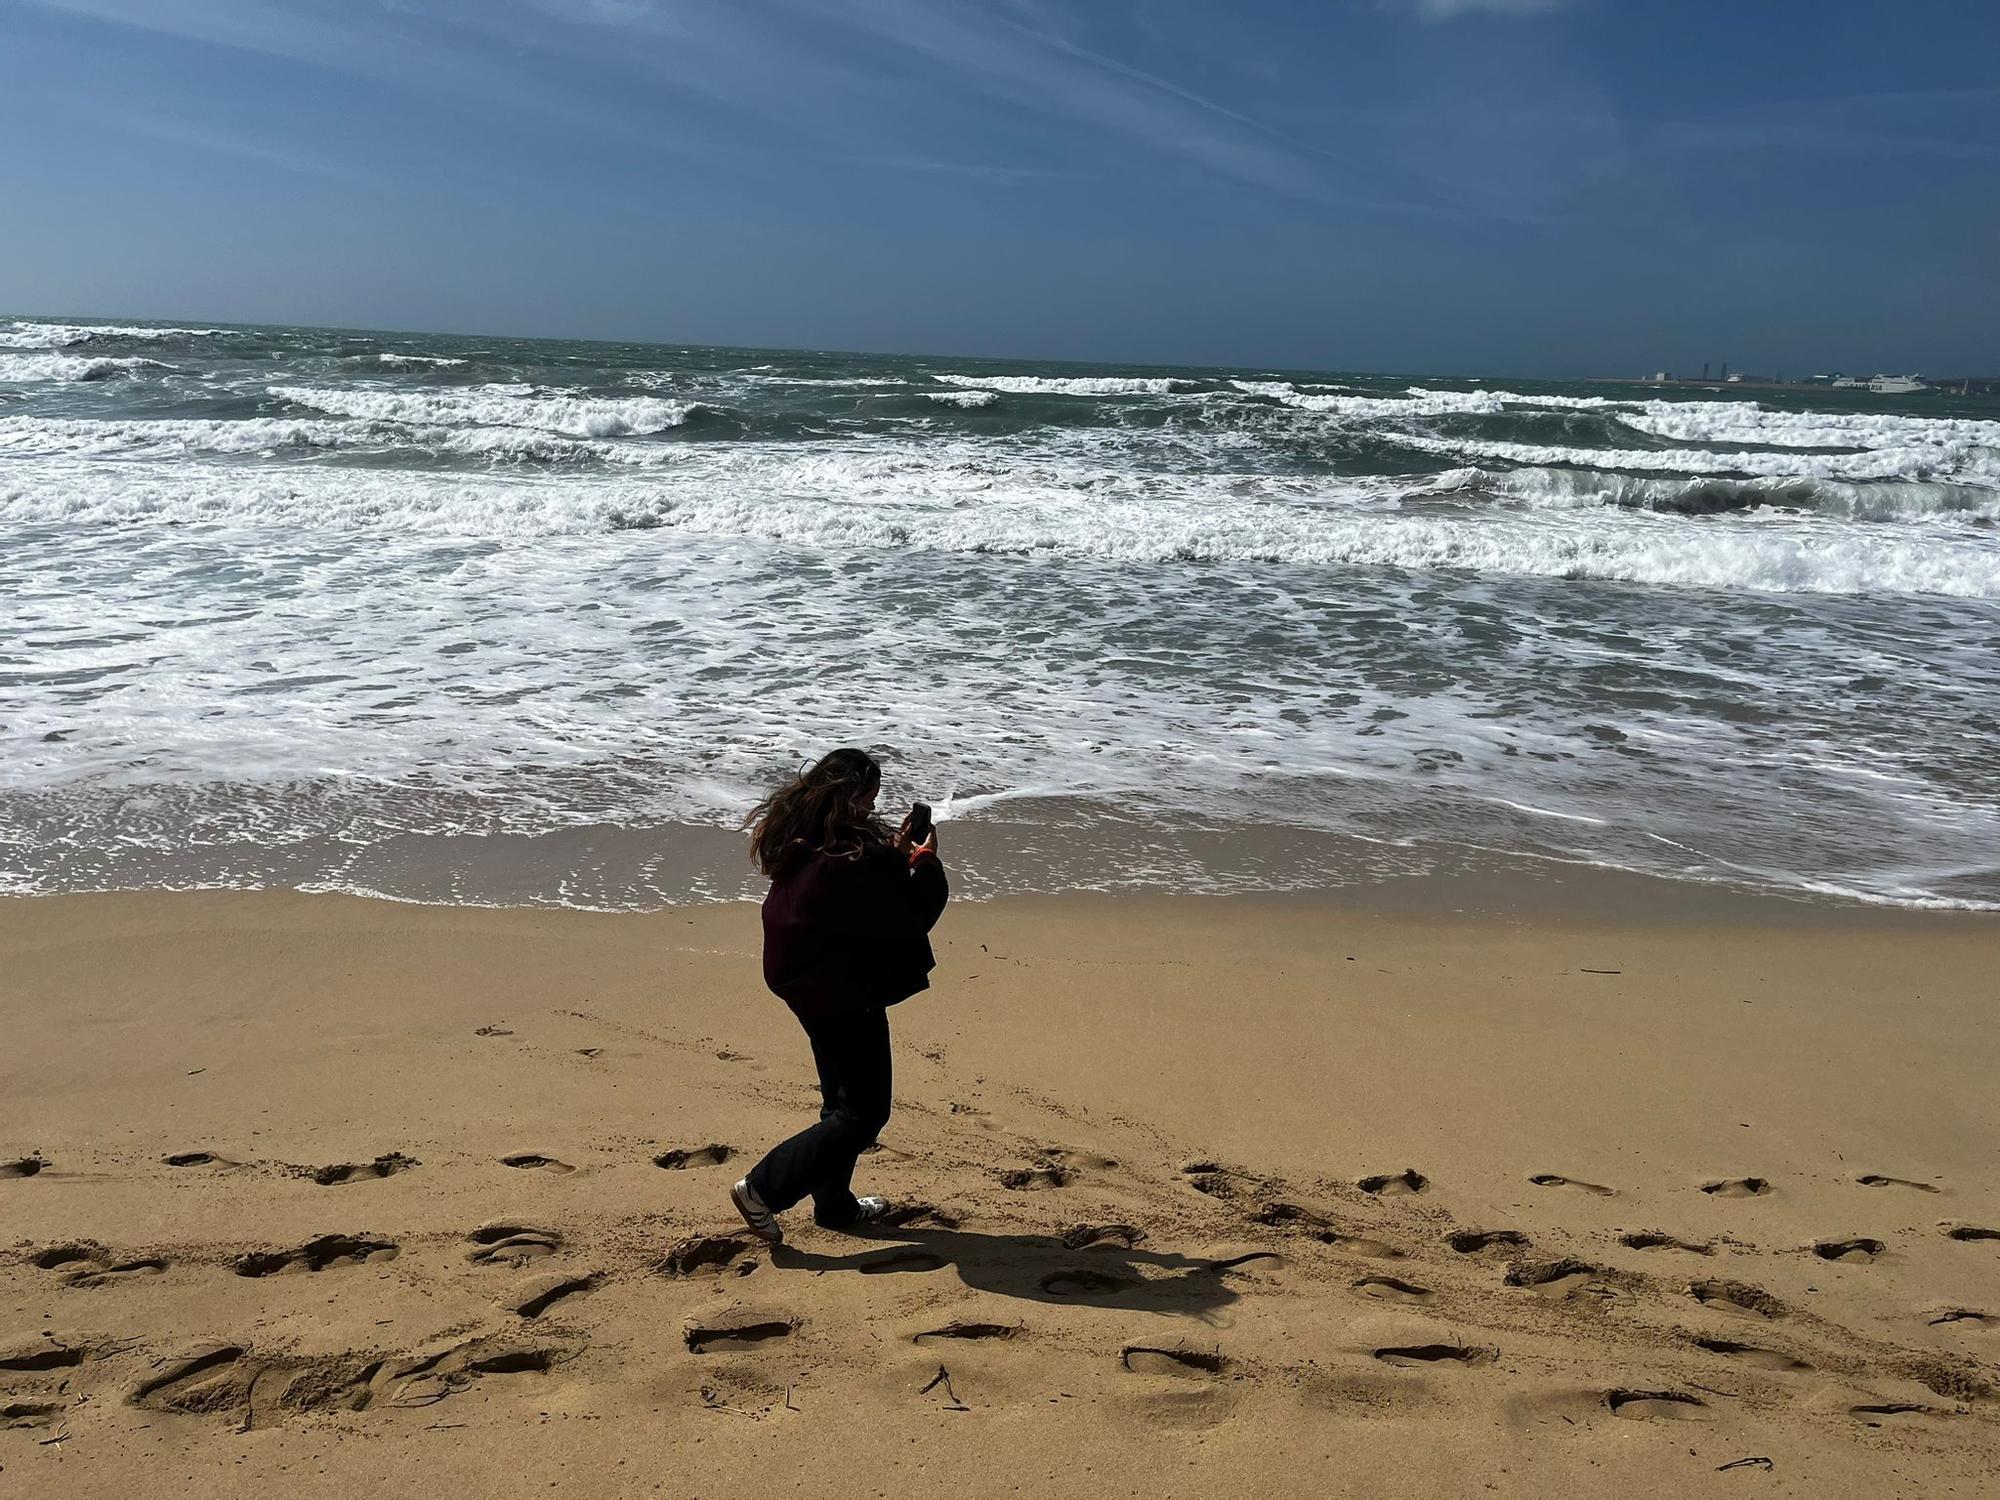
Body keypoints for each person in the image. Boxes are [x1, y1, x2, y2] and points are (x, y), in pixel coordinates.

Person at [730, 748, 947, 1244]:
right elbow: (912, 914)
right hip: (840, 985)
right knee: (864, 1113)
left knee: (841, 1102)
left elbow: (854, 892)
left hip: (799, 975)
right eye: (868, 799)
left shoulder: (806, 836)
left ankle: (834, 1206)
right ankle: (763, 1188)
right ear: (850, 799)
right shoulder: (855, 856)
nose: (872, 808)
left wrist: (894, 855)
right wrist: (925, 860)